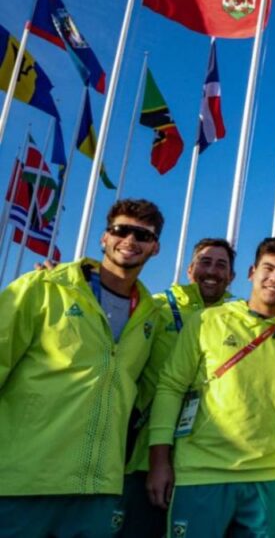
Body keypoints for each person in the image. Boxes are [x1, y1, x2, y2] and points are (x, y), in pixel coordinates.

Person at [147, 237, 275, 538]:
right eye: (268, 268)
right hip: (200, 475)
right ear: (251, 272)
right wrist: (159, 462)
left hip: (268, 478)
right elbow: (170, 387)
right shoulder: (207, 321)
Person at [0, 199, 163, 538]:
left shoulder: (152, 315)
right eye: (121, 230)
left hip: (98, 488)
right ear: (104, 238)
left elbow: (148, 391)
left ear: (155, 247)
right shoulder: (44, 286)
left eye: (143, 235)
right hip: (23, 481)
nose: (130, 241)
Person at [121, 237, 237, 537]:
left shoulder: (238, 319)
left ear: (232, 276)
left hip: (205, 461)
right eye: (205, 262)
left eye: (221, 265)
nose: (212, 270)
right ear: (190, 269)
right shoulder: (156, 307)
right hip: (147, 455)